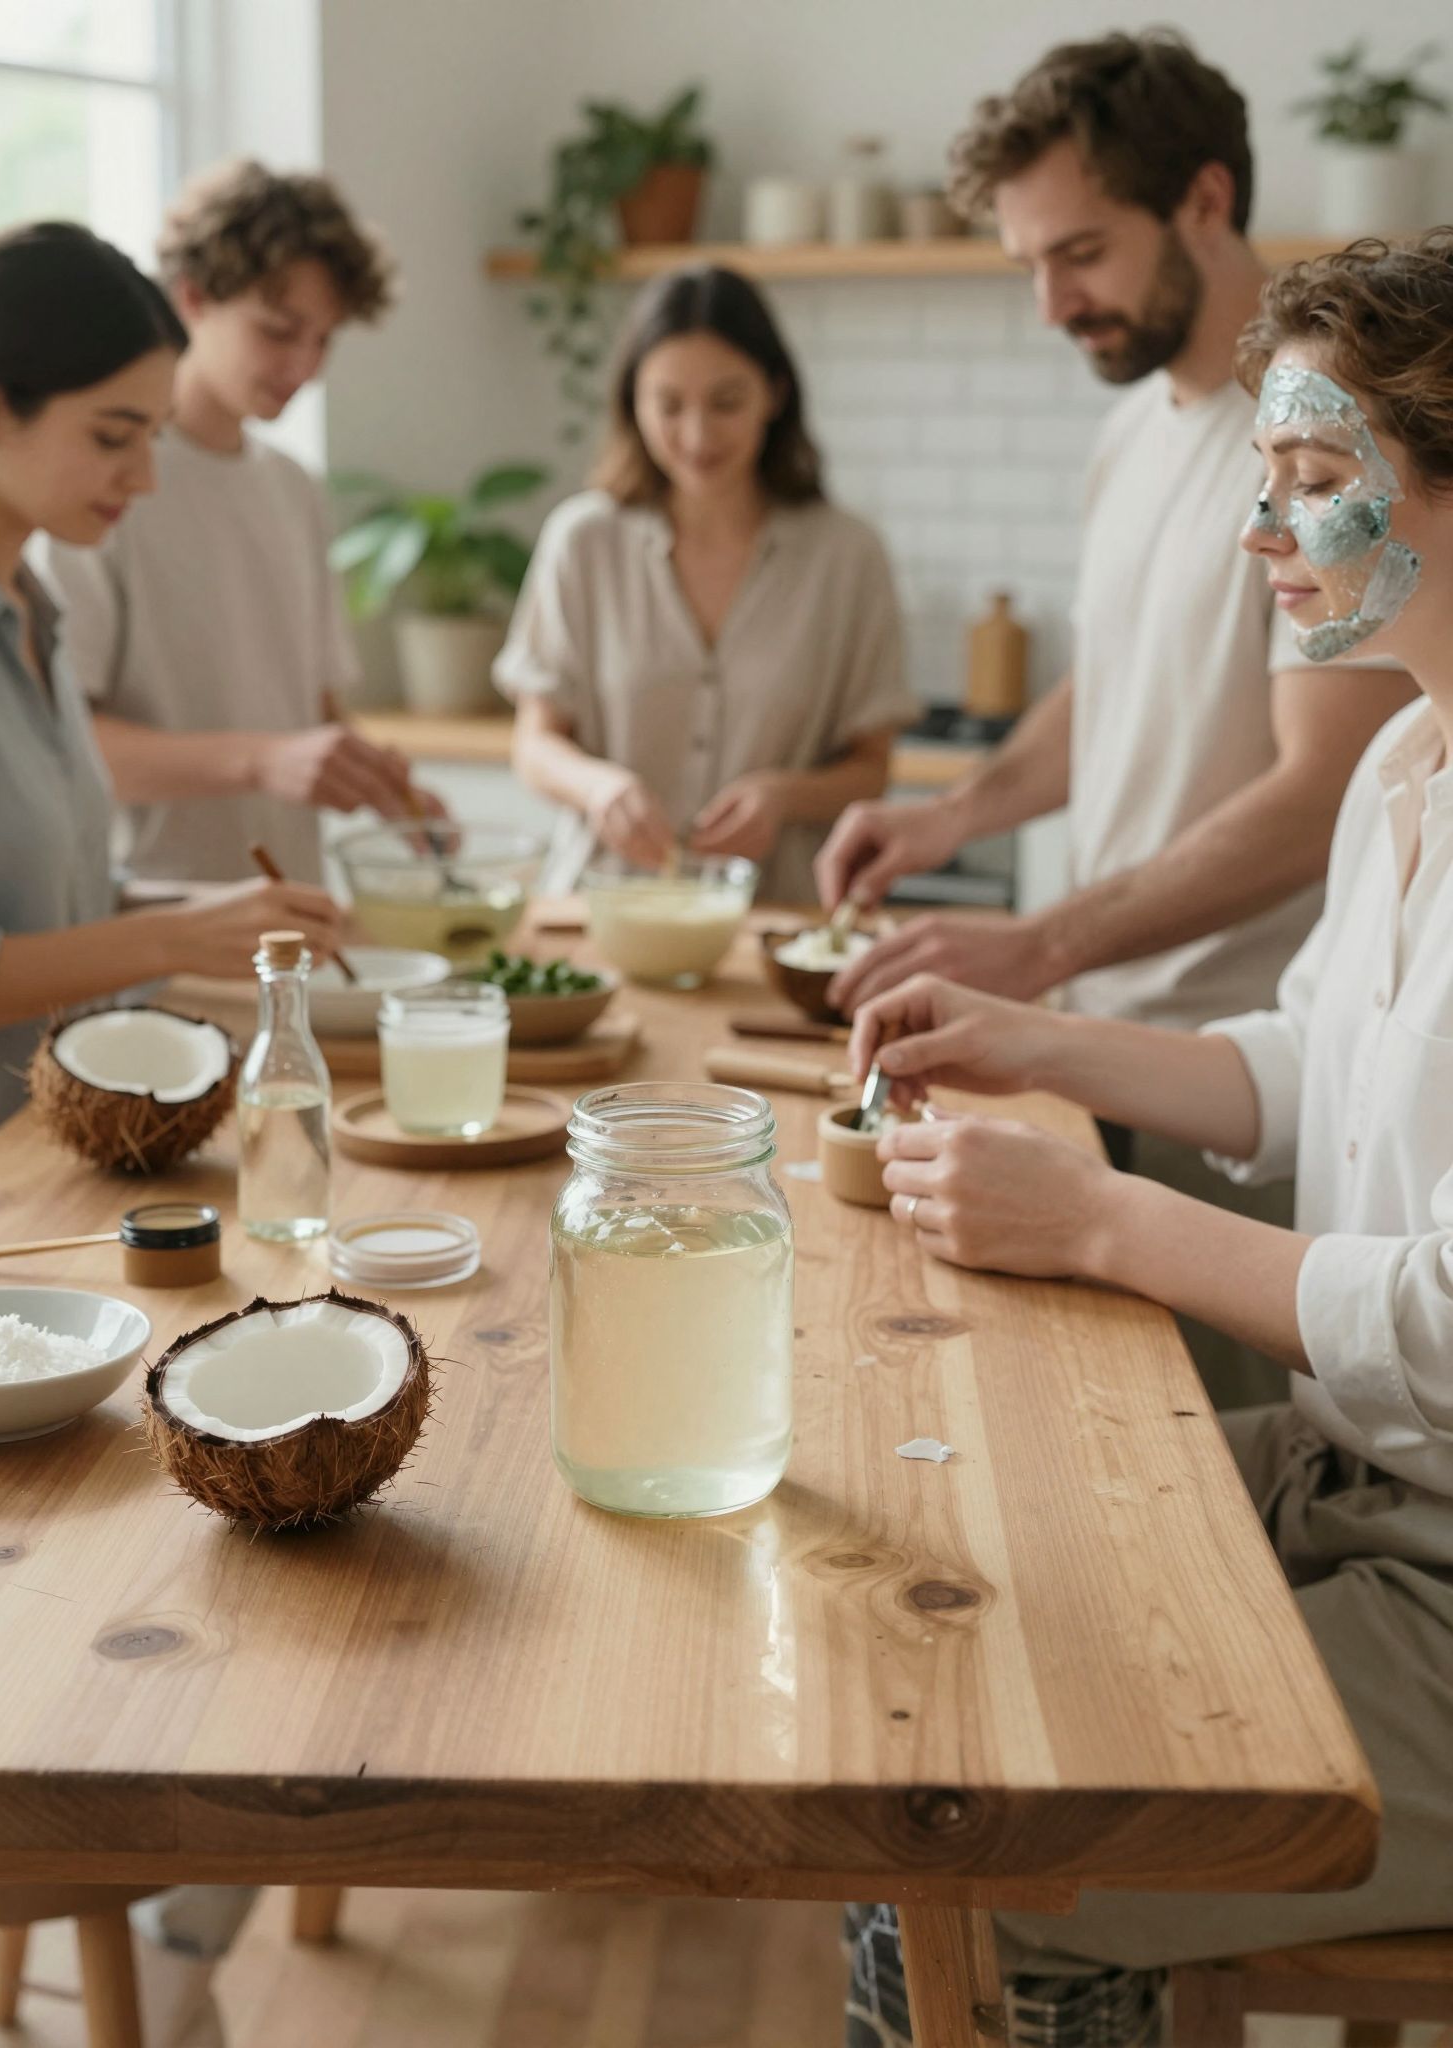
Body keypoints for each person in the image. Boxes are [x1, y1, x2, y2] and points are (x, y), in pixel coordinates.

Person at [843, 229, 1453, 2048]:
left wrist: (1102, 1221)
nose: (1260, 533)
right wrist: (1035, 1033)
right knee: (922, 1662)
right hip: (1371, 1487)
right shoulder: (1403, 766)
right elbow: (1306, 1063)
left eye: (1318, 481)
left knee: (980, 1835)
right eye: (1262, 480)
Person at [816, 33, 1416, 1408]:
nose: (1050, 302)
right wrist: (952, 817)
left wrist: (1038, 943)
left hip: (1248, 1090)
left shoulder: (1337, 451)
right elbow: (1116, 678)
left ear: (1204, 200)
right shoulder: (1141, 430)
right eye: (1028, 263)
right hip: (1135, 1052)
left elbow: (1313, 784)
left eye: (1078, 252)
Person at [0, 222, 340, 1200]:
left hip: (59, 1160)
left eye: (152, 435)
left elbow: (51, 897)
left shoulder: (30, 606)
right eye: (113, 436)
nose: (144, 476)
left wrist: (234, 918)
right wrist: (173, 940)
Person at [37, 159, 438, 888]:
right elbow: (66, 742)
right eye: (280, 331)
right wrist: (265, 760)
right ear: (193, 298)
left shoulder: (294, 490)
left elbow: (313, 713)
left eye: (324, 339)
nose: (304, 365)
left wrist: (383, 786)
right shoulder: (101, 487)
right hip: (151, 916)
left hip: (291, 917)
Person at [497, 263, 917, 901]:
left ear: (773, 393)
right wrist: (599, 788)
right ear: (631, 400)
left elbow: (871, 768)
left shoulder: (847, 557)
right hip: (601, 911)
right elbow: (535, 741)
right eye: (668, 404)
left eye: (726, 402)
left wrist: (783, 797)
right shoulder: (583, 542)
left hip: (774, 919)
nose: (696, 436)